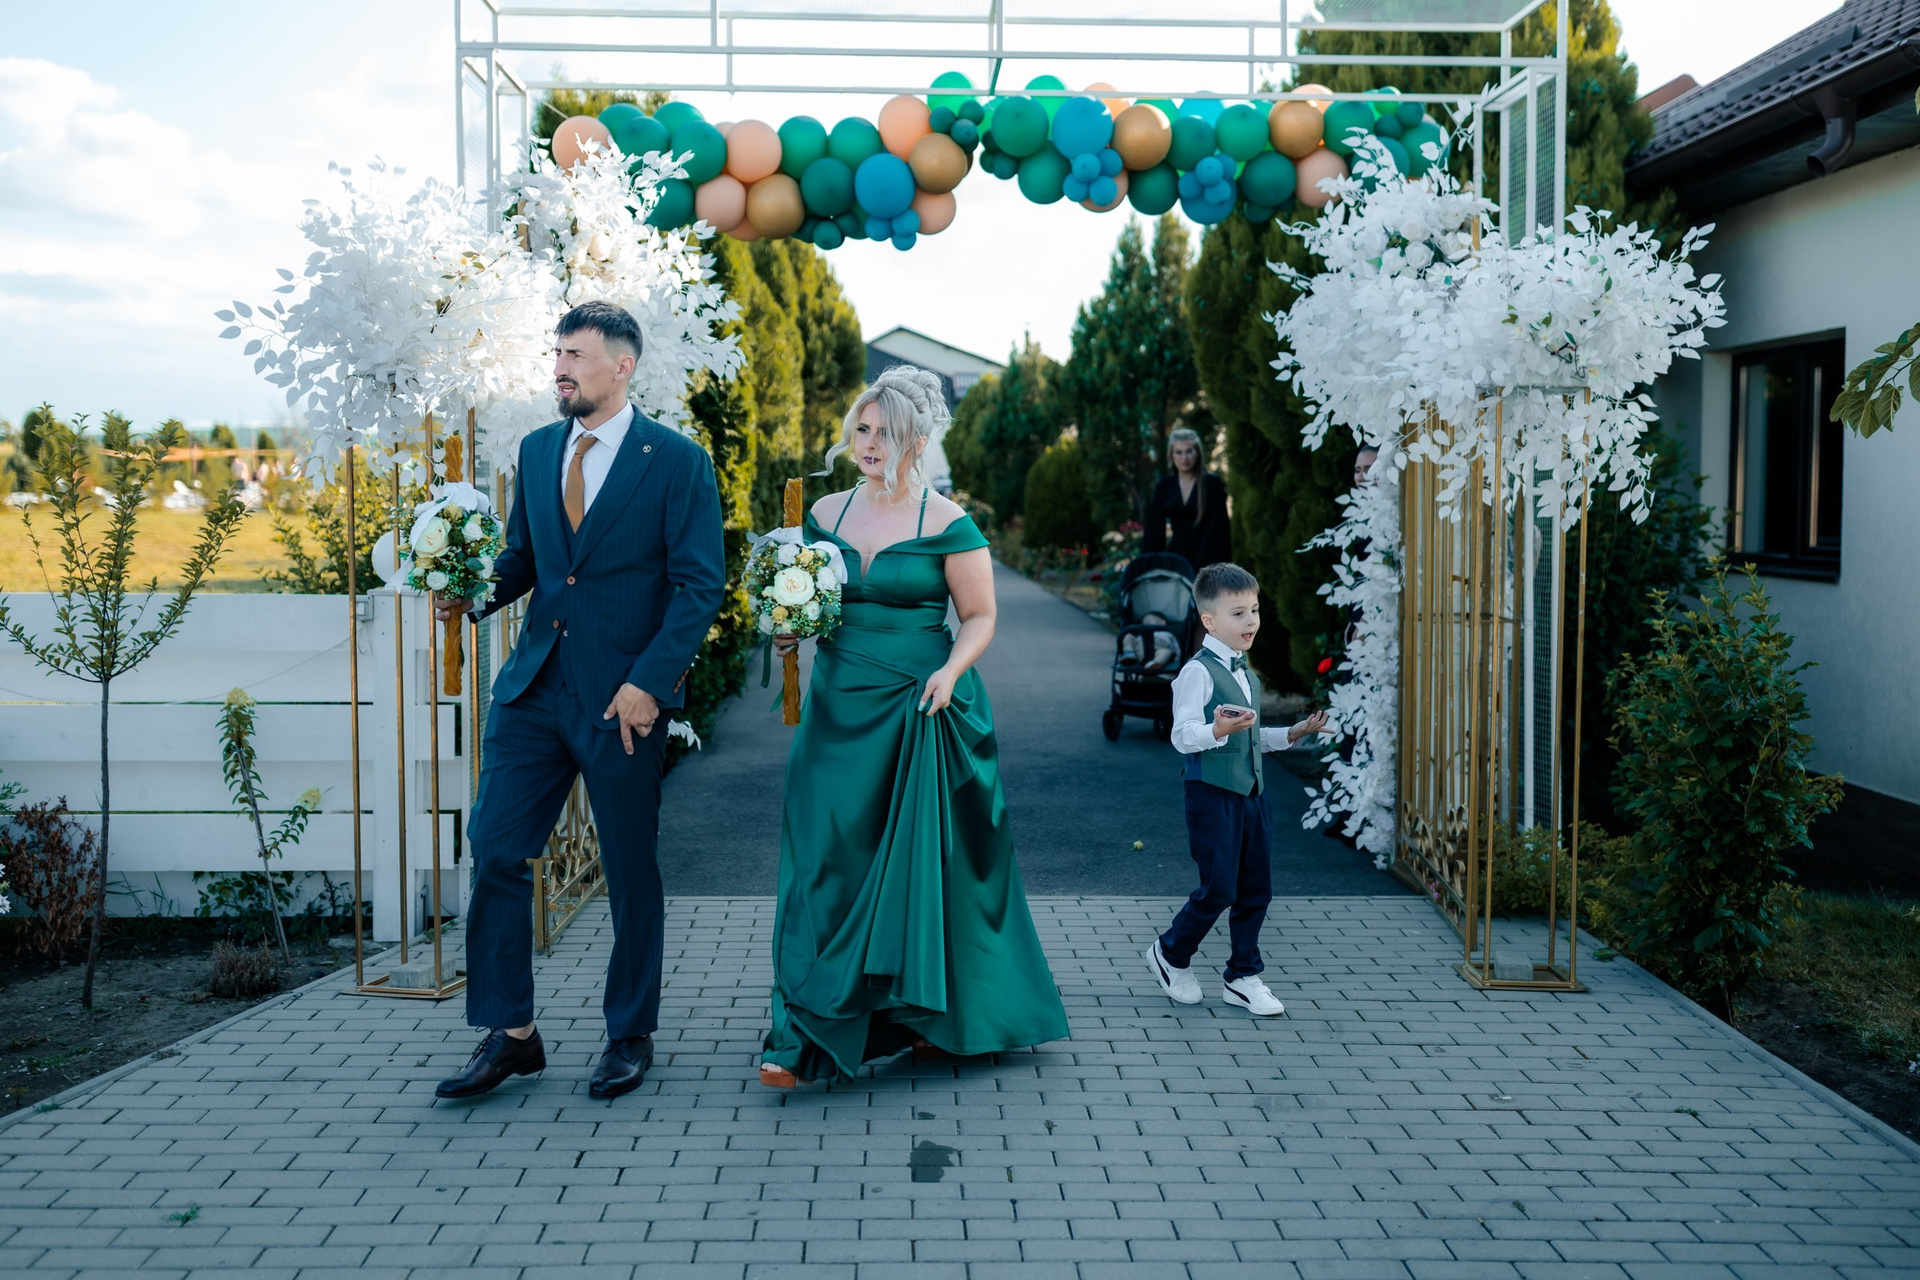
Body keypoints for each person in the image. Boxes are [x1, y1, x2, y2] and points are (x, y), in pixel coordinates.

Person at [432, 301, 725, 1101]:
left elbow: (699, 585)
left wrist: (649, 683)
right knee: (495, 849)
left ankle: (629, 1034)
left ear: (622, 367)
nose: (559, 368)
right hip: (532, 691)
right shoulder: (536, 450)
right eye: (556, 353)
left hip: (622, 700)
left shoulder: (677, 461)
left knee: (629, 869)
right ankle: (512, 1035)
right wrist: (469, 590)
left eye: (576, 356)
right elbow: (526, 559)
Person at [760, 365, 1068, 1088]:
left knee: (922, 868)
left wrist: (952, 671)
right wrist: (786, 627)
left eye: (886, 433)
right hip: (838, 709)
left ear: (918, 441)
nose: (869, 443)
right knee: (824, 856)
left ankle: (919, 1019)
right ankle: (804, 1025)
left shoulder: (949, 523)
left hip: (921, 706)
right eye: (862, 429)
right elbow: (809, 605)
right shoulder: (823, 511)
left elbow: (981, 615)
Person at [1146, 562, 1327, 1017]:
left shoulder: (1248, 673)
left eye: (1255, 610)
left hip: (1252, 795)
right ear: (1209, 621)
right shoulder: (1197, 672)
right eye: (1239, 613)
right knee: (1219, 888)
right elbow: (1182, 735)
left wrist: (1292, 733)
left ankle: (1243, 975)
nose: (1251, 621)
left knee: (1255, 889)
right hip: (1211, 794)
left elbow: (1250, 738)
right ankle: (1170, 953)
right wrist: (1217, 729)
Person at [1141, 427, 1232, 571]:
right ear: (1171, 454)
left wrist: (1210, 569)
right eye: (1179, 452)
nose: (1184, 458)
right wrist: (1149, 566)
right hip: (1177, 559)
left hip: (1209, 556)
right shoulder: (1164, 486)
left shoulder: (1211, 484)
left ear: (1197, 453)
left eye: (1189, 451)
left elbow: (1219, 530)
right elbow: (1153, 532)